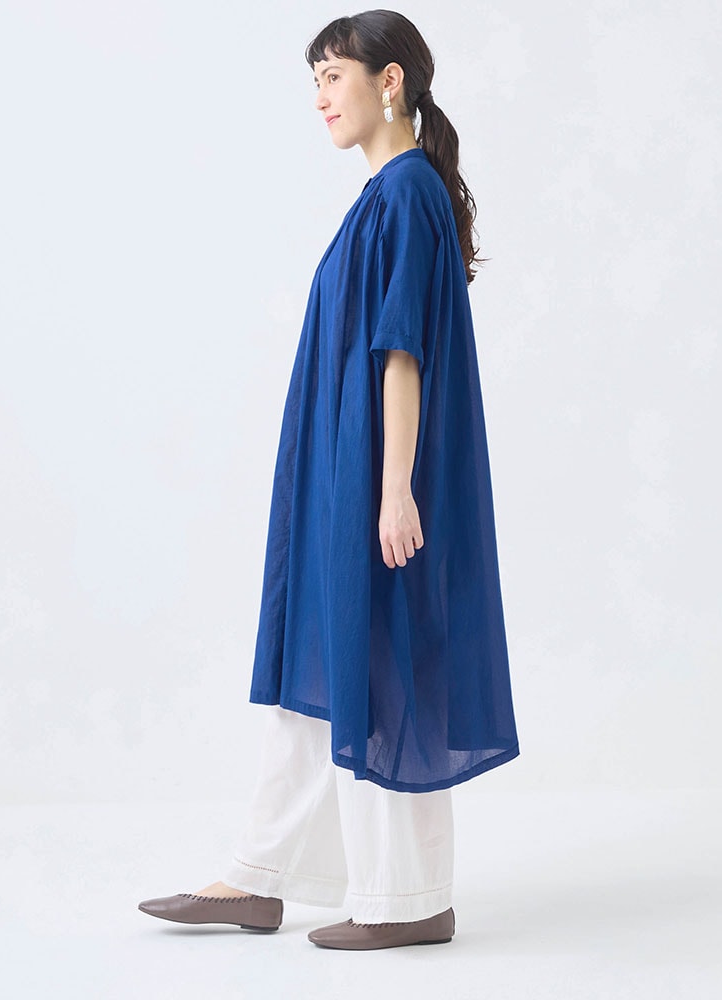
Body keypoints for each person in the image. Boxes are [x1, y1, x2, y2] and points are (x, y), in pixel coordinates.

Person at [138, 9, 520, 951]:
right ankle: (259, 877)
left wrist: (394, 488)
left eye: (333, 76)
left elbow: (402, 353)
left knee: (382, 660)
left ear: (390, 82)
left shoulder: (406, 194)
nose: (319, 97)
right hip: (345, 471)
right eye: (313, 80)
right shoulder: (387, 196)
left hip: (374, 476)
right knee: (327, 657)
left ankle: (409, 899)